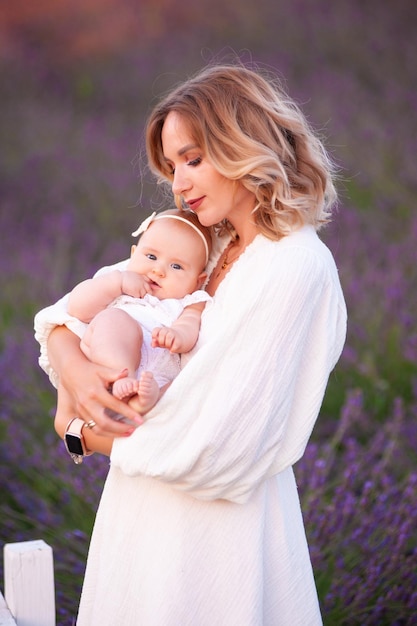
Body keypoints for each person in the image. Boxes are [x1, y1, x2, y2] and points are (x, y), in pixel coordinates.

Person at [34, 61, 347, 625]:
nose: (178, 184)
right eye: (172, 166)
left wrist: (81, 432)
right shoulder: (207, 242)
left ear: (244, 146)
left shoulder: (293, 266)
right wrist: (75, 373)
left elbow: (219, 454)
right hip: (141, 517)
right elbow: (71, 311)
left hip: (218, 541)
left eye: (194, 160)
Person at [57, 208, 212, 421]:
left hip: (153, 375)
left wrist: (177, 335)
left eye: (176, 266)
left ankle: (144, 400)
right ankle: (118, 375)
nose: (158, 270)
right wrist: (117, 283)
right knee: (114, 321)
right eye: (151, 256)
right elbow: (77, 309)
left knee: (175, 383)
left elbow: (190, 327)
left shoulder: (189, 302)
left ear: (198, 280)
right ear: (133, 254)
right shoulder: (117, 282)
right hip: (104, 364)